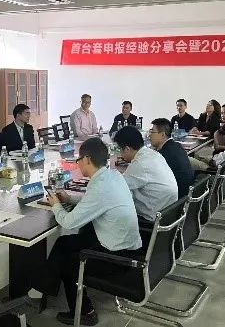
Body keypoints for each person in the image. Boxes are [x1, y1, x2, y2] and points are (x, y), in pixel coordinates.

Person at [30, 138, 142, 326]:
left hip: (117, 255)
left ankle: (85, 312)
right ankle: (43, 289)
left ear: (87, 159)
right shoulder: (112, 176)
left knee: (68, 262)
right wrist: (69, 199)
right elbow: (94, 201)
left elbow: (68, 222)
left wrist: (56, 205)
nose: (78, 163)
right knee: (63, 243)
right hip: (121, 242)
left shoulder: (99, 186)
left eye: (78, 159)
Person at [115, 125, 178, 222]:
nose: (120, 154)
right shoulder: (153, 154)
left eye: (119, 149)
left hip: (153, 219)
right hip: (169, 213)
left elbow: (118, 187)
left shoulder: (140, 164)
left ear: (127, 149)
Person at [149, 118, 195, 197]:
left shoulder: (162, 155)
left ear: (162, 135)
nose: (149, 135)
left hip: (176, 197)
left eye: (152, 132)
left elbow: (151, 176)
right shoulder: (176, 145)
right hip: (186, 193)